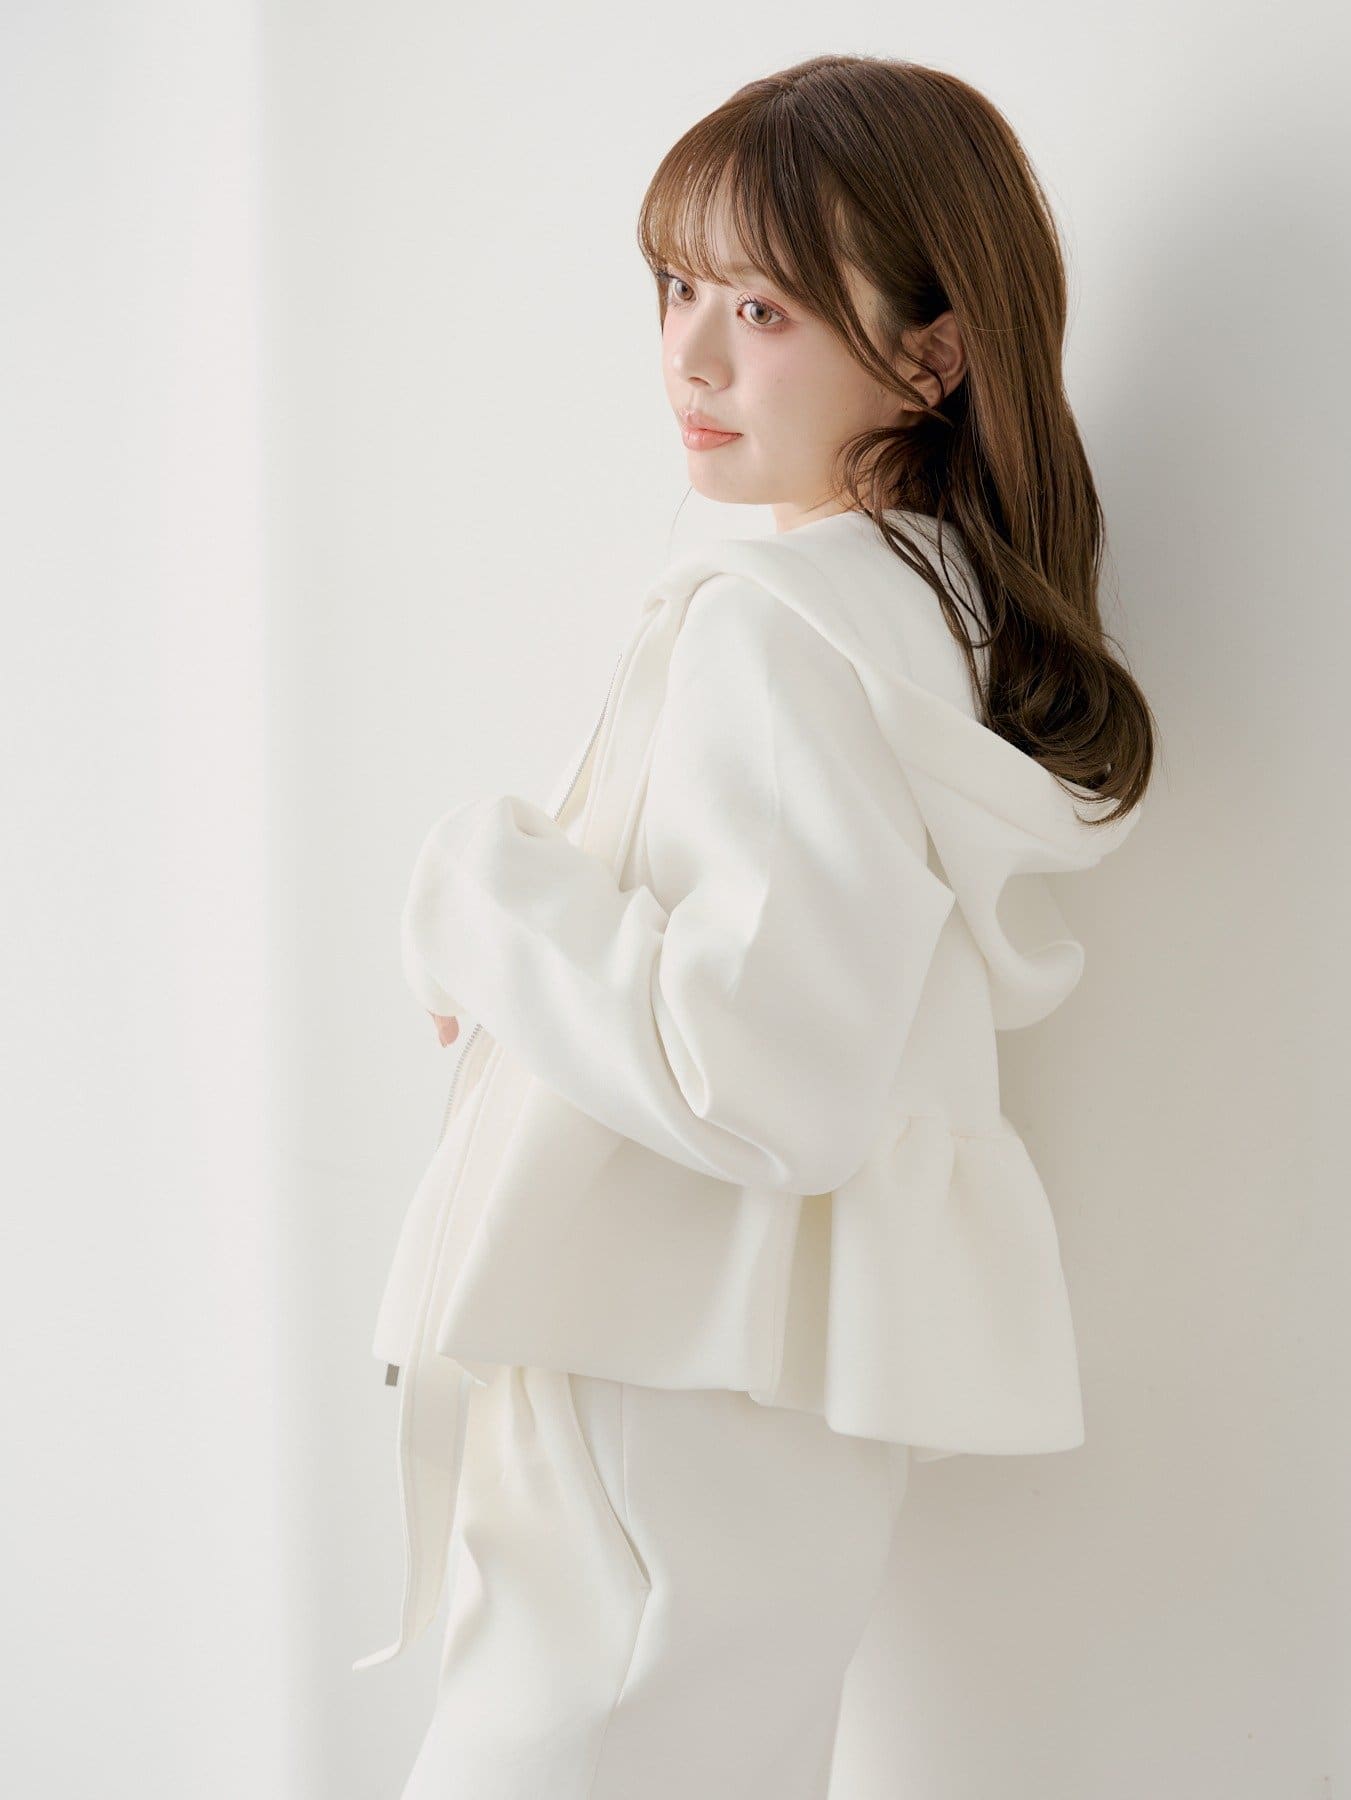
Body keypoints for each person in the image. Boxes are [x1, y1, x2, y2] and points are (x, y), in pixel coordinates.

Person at [357, 50, 1157, 1800]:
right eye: (676, 290)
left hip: (657, 1364)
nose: (693, 360)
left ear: (932, 354)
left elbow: (762, 1081)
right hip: (743, 1384)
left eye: (764, 309)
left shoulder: (778, 627)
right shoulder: (921, 624)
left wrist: (477, 890)